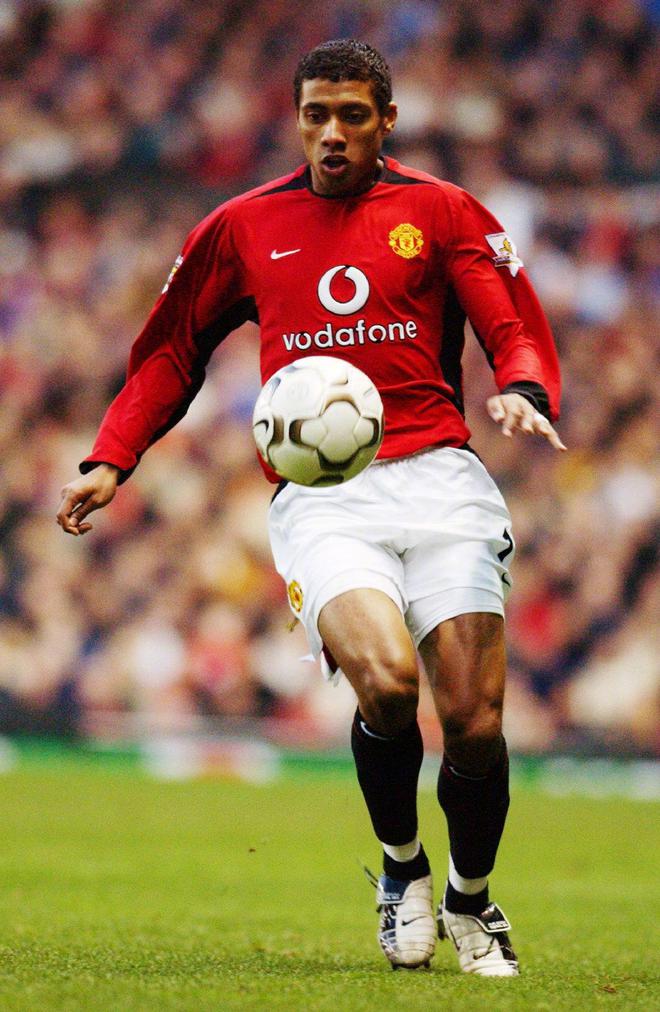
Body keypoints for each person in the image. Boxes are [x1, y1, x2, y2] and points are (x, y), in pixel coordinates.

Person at [57, 39, 564, 977]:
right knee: (388, 685)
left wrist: (524, 387)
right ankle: (402, 871)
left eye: (352, 116)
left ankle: (470, 898)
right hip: (325, 496)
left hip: (441, 480)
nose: (333, 134)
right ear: (297, 121)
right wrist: (111, 456)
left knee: (475, 722)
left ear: (387, 120)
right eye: (316, 116)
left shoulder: (441, 211)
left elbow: (511, 321)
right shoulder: (243, 226)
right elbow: (171, 350)